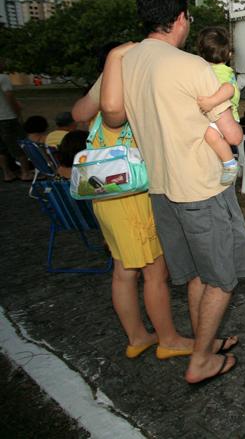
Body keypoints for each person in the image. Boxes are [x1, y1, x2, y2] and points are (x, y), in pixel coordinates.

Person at [100, 0, 245, 385]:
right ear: (180, 18)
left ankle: (205, 343)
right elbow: (232, 134)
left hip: (160, 190)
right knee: (220, 279)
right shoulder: (193, 67)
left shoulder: (128, 62)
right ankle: (200, 360)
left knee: (197, 275)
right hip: (201, 189)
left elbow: (112, 114)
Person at [70, 43, 203, 365]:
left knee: (123, 271)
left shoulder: (98, 98)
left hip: (104, 197)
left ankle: (137, 336)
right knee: (155, 273)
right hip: (132, 198)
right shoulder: (121, 99)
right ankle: (168, 340)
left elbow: (77, 114)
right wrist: (118, 57)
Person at [194, 27, 240, 185]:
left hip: (224, 117)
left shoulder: (216, 71)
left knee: (209, 134)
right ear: (229, 54)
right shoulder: (223, 70)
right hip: (228, 117)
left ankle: (230, 164)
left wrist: (211, 102)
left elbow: (229, 89)